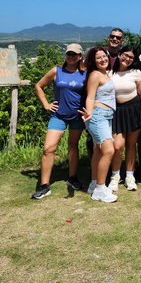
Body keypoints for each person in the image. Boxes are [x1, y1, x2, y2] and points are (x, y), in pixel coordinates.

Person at [31, 44, 86, 199]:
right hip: (58, 115)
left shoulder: (85, 74)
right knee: (48, 148)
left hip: (77, 117)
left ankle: (72, 177)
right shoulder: (57, 70)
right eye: (69, 53)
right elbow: (39, 86)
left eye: (75, 54)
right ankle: (44, 185)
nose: (71, 56)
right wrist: (46, 105)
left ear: (80, 56)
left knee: (73, 146)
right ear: (66, 55)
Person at [108, 46, 141, 192]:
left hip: (134, 111)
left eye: (131, 57)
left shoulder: (136, 72)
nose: (127, 59)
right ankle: (115, 177)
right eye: (125, 55)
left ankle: (129, 176)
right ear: (119, 55)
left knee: (131, 145)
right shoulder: (109, 73)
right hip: (117, 112)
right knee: (118, 146)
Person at [79, 47, 117, 202]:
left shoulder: (105, 74)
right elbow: (90, 97)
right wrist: (89, 113)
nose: (103, 60)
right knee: (108, 150)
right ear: (93, 61)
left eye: (104, 56)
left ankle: (94, 184)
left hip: (106, 116)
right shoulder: (95, 74)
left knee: (98, 151)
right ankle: (101, 189)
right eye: (98, 58)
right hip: (97, 115)